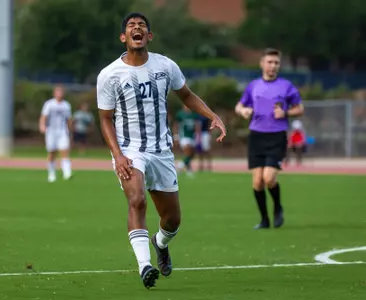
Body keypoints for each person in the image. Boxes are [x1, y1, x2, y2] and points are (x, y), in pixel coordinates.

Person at [97, 12, 226, 289]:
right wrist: (118, 155)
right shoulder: (109, 75)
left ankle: (160, 243)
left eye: (141, 25)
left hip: (162, 150)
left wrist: (211, 115)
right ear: (123, 37)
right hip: (131, 150)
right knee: (137, 200)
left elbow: (187, 96)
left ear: (149, 36)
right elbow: (105, 118)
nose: (137, 28)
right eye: (131, 26)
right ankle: (145, 265)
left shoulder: (166, 67)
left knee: (172, 220)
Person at [235, 48, 304, 230]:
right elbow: (239, 106)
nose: (273, 66)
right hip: (256, 136)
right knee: (257, 182)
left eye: (276, 63)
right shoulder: (253, 86)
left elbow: (300, 109)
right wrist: (244, 111)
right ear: (262, 64)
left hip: (277, 136)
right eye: (270, 62)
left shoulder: (286, 86)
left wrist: (286, 112)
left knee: (269, 178)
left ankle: (278, 207)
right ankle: (264, 220)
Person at [39, 85, 73, 182]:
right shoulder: (49, 104)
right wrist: (42, 125)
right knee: (52, 152)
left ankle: (67, 172)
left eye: (61, 92)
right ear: (54, 93)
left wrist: (70, 130)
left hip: (62, 131)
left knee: (65, 151)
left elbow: (69, 119)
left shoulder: (66, 105)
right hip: (51, 131)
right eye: (58, 92)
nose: (59, 94)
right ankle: (51, 174)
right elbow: (43, 116)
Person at [175, 105, 199, 176]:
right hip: (184, 136)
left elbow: (196, 125)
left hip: (192, 136)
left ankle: (186, 169)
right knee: (188, 153)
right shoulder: (180, 114)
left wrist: (197, 134)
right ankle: (181, 166)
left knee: (191, 154)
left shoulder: (193, 115)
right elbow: (176, 125)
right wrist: (176, 136)